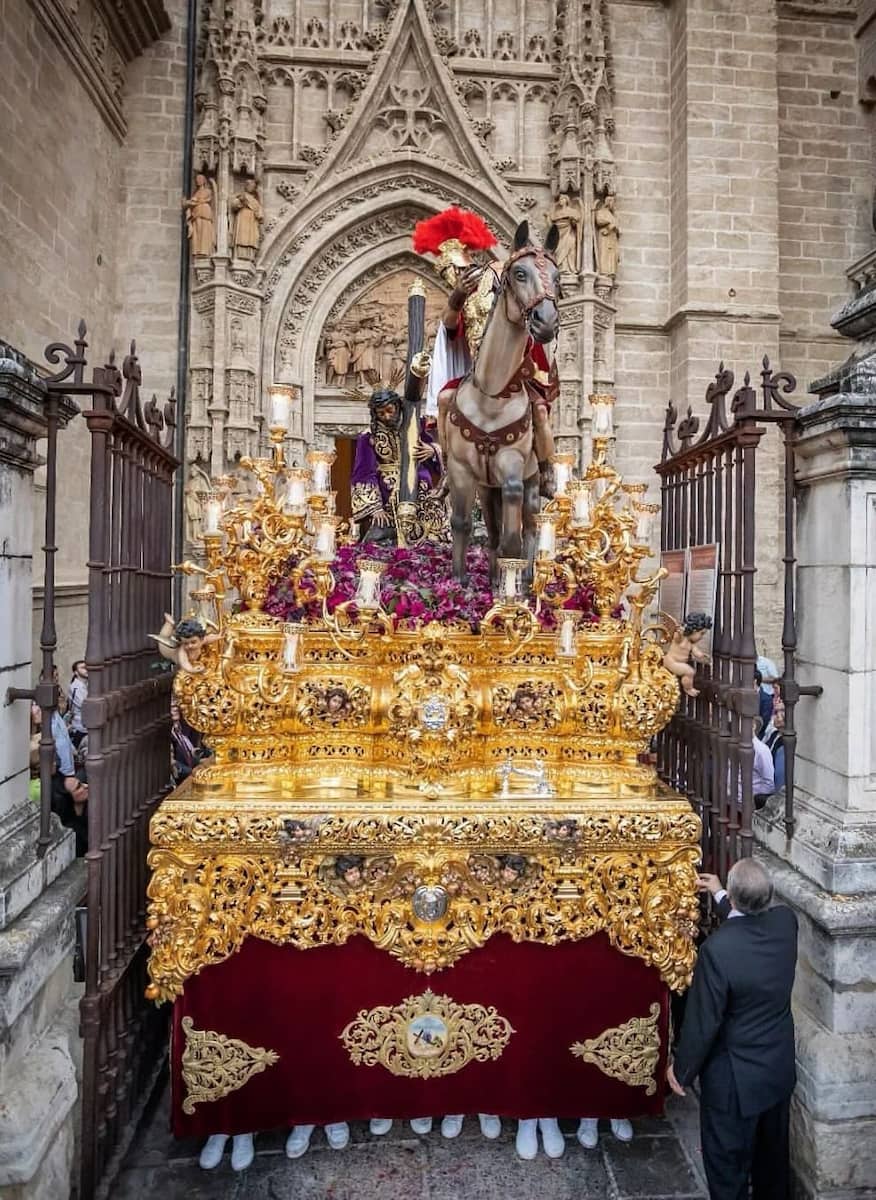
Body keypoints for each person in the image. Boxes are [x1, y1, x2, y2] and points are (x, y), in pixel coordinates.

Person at [667, 860, 798, 1200]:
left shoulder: (717, 950)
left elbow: (703, 1021)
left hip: (733, 1084)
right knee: (772, 1164)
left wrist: (681, 1071)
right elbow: (749, 921)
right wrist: (720, 895)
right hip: (776, 1073)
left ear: (736, 899)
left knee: (727, 1169)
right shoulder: (787, 924)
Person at [350, 385, 447, 544]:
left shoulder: (417, 425)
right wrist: (374, 508)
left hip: (421, 489)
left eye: (390, 410)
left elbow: (446, 447)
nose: (387, 416)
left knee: (432, 534)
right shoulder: (368, 437)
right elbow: (363, 473)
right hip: (388, 494)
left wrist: (433, 450)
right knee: (381, 538)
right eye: (381, 413)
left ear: (397, 406)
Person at [67, 659, 88, 748]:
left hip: (87, 726)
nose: (86, 669)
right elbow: (85, 705)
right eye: (83, 668)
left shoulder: (87, 684)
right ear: (76, 672)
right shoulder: (75, 687)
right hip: (80, 727)